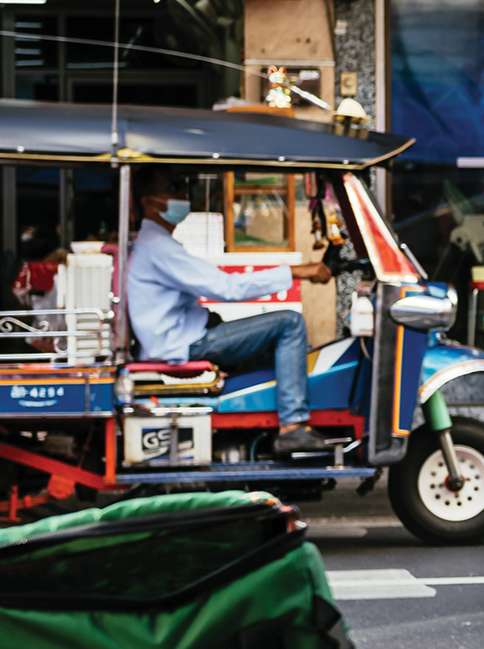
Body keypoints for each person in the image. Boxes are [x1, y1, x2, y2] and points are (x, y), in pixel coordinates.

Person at [125, 167, 334, 455]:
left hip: (187, 335)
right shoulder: (157, 247)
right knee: (289, 322)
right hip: (186, 345)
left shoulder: (157, 244)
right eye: (173, 189)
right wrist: (299, 271)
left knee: (272, 342)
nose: (183, 196)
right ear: (148, 201)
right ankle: (293, 426)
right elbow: (227, 288)